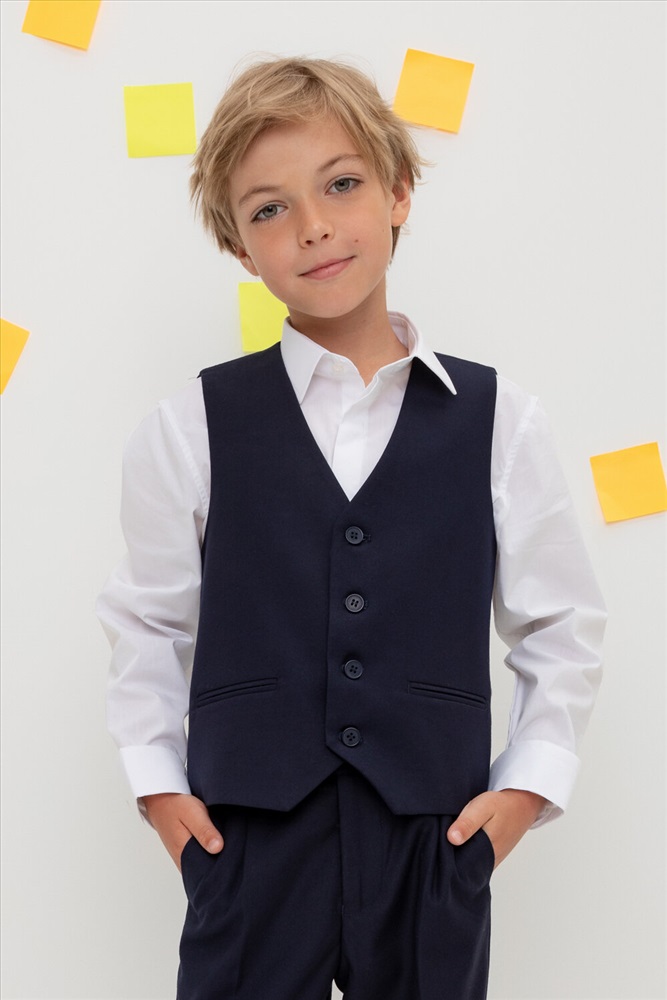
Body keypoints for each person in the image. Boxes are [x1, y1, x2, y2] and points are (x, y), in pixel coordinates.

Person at [97, 57, 606, 1000]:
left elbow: (561, 625)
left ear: (398, 191)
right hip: (248, 837)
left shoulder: (502, 421)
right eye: (269, 209)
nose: (313, 226)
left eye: (340, 185)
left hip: (432, 834)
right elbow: (148, 621)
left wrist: (524, 791)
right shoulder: (188, 427)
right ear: (239, 250)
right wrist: (160, 790)